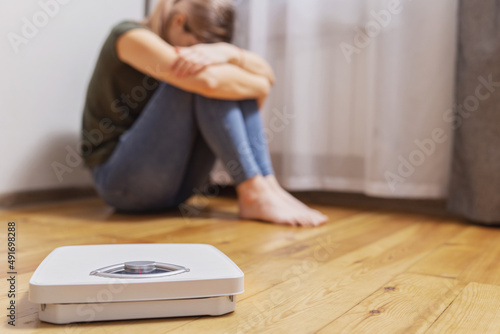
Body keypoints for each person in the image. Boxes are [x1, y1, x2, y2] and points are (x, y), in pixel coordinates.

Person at [81, 0, 327, 226]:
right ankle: (253, 191)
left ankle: (267, 185)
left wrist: (229, 53)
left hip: (179, 187)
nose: (199, 55)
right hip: (121, 185)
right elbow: (213, 82)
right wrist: (258, 84)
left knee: (222, 80)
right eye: (195, 47)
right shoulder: (127, 35)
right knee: (201, 81)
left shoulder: (196, 46)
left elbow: (264, 75)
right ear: (179, 22)